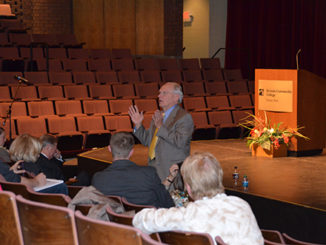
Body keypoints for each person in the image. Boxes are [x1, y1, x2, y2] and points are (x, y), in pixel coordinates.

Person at [133, 152, 264, 245]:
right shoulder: (242, 206)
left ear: (188, 188)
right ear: (219, 178)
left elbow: (139, 221)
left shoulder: (189, 215)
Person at [128, 82, 194, 181]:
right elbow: (148, 141)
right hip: (154, 169)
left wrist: (160, 126)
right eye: (159, 93)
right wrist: (138, 125)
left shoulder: (184, 117)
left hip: (171, 172)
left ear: (176, 97)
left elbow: (180, 142)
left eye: (164, 93)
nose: (159, 96)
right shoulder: (159, 116)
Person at [91, 132, 175, 208]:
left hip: (113, 224)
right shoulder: (149, 173)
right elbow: (168, 204)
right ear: (132, 152)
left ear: (109, 149)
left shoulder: (98, 178)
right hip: (144, 223)